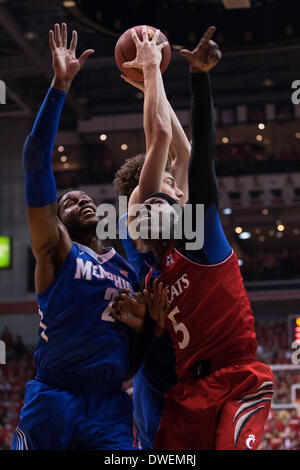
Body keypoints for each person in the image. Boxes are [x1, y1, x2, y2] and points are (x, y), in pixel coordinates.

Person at [116, 26, 274, 450]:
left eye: (167, 189)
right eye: (147, 200)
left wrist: (171, 79)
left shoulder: (195, 231)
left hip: (228, 377)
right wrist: (152, 74)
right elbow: (164, 143)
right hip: (175, 379)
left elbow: (193, 156)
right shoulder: (143, 231)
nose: (168, 189)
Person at [12, 23, 148, 451]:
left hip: (110, 403)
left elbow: (140, 349)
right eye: (69, 200)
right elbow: (36, 159)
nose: (82, 200)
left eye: (86, 196)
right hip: (55, 396)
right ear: (56, 218)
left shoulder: (128, 265)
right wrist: (59, 86)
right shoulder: (55, 249)